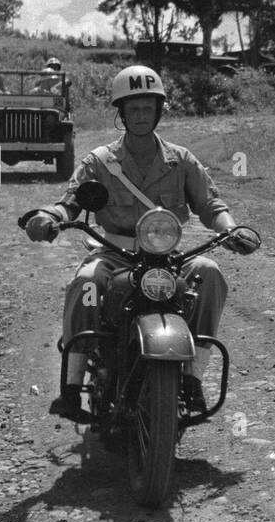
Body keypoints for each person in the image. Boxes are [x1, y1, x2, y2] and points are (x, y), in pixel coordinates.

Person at [23, 65, 258, 420]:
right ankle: (71, 388)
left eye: (148, 107)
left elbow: (211, 205)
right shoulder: (100, 162)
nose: (141, 115)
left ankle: (193, 376)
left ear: (159, 110)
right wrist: (51, 217)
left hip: (169, 255)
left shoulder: (181, 160)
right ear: (121, 112)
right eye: (133, 108)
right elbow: (69, 200)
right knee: (87, 283)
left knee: (209, 273)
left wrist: (232, 229)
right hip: (115, 253)